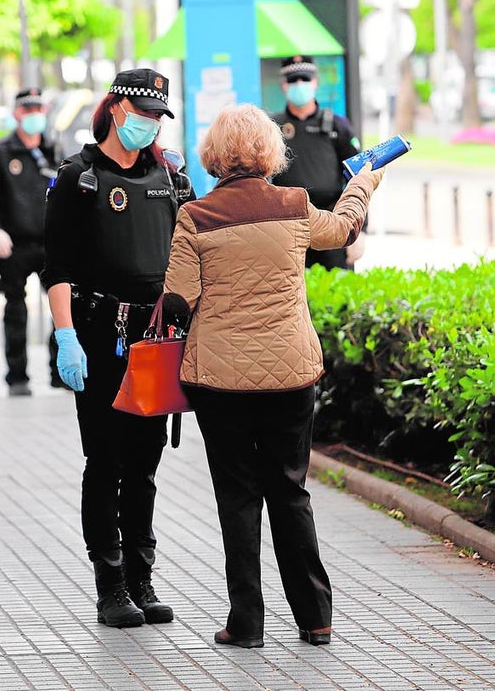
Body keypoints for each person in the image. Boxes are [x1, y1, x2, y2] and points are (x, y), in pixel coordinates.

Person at [162, 104, 384, 649]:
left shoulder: (196, 217)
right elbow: (344, 229)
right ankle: (316, 618)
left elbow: (175, 303)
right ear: (269, 151)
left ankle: (247, 624)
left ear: (215, 156)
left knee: (238, 497)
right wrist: (362, 183)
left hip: (220, 379)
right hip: (290, 373)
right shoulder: (294, 205)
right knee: (290, 491)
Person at [43, 68, 193, 628]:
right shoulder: (78, 177)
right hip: (100, 337)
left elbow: (193, 250)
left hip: (155, 342)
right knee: (105, 461)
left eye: (159, 117)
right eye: (144, 114)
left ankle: (141, 577)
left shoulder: (170, 176)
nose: (150, 125)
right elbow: (56, 267)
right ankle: (110, 586)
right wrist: (66, 336)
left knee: (146, 462)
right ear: (117, 110)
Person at [0, 88, 63, 396]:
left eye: (39, 110)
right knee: (15, 309)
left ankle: (59, 373)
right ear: (16, 114)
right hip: (13, 244)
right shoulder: (1, 153)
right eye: (28, 110)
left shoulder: (54, 149)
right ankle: (17, 375)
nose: (34, 116)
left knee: (63, 308)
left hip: (52, 244)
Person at [269, 55, 363, 270]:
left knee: (336, 297)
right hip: (289, 226)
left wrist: (360, 229)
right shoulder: (273, 128)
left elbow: (359, 177)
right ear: (284, 86)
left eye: (305, 78)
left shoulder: (337, 126)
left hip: (333, 223)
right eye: (293, 80)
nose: (299, 84)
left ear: (315, 83)